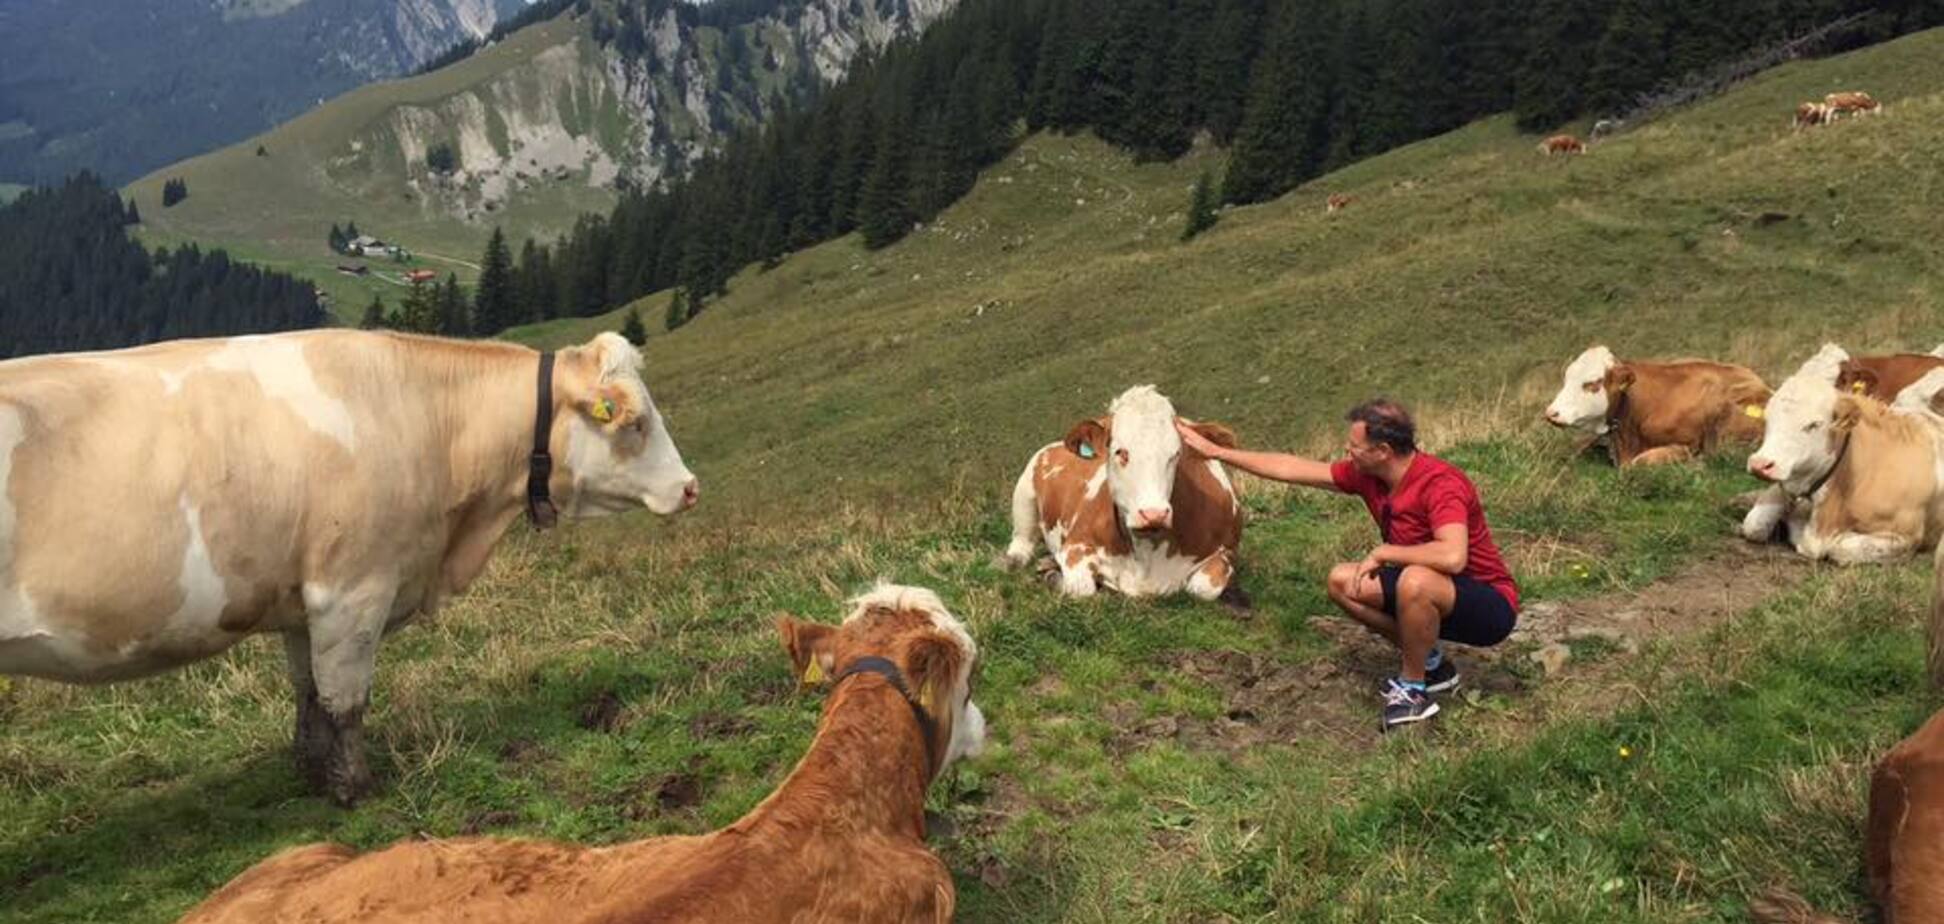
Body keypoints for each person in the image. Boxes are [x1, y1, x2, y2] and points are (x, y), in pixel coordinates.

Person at [1175, 398, 1520, 730]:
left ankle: (1413, 690)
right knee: (1343, 581)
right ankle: (1431, 663)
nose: (1347, 452)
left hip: (1488, 607)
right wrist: (1219, 453)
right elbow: (1291, 468)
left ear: (1382, 451)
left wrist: (1386, 554)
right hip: (1432, 590)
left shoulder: (1440, 484)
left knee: (1413, 580)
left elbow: (1452, 556)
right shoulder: (1369, 476)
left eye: (1354, 446)